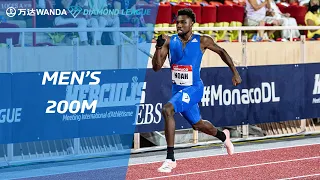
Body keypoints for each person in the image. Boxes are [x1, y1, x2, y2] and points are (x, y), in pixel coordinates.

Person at [152, 8, 242, 173]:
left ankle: (170, 159)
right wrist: (158, 48)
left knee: (167, 109)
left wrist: (235, 72)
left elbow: (221, 52)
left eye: (183, 22)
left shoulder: (202, 40)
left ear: (191, 23)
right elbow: (156, 67)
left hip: (194, 88)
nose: (179, 25)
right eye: (177, 22)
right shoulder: (169, 41)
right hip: (178, 90)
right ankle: (224, 137)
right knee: (198, 124)